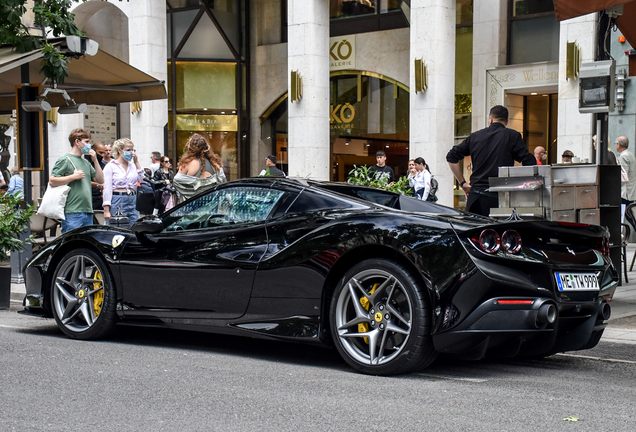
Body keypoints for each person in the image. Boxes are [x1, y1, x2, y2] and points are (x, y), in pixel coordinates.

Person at [446, 105, 536, 216]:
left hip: (475, 197)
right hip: (498, 198)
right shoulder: (512, 136)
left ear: (491, 119)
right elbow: (530, 162)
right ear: (507, 121)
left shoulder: (475, 136)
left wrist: (463, 183)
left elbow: (451, 157)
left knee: (473, 231)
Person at [49, 128, 104, 233]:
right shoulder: (65, 160)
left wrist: (95, 160)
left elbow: (100, 180)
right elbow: (52, 181)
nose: (89, 145)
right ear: (77, 142)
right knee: (70, 243)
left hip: (88, 210)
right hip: (72, 211)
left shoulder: (86, 162)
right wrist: (73, 177)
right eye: (86, 141)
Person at [102, 138, 144, 228]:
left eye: (133, 150)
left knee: (135, 227)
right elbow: (107, 187)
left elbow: (142, 180)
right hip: (117, 199)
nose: (131, 152)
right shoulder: (111, 166)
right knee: (118, 228)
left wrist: (136, 162)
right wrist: (106, 210)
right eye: (128, 150)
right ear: (120, 151)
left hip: (132, 198)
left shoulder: (132, 166)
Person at [173, 133, 227, 203]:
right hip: (212, 207)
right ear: (206, 147)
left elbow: (176, 182)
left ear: (190, 147)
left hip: (192, 208)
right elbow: (223, 184)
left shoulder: (187, 163)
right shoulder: (215, 164)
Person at [616, 136, 636, 223]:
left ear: (619, 145)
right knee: (630, 216)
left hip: (625, 192)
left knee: (628, 216)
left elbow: (623, 176)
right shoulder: (631, 154)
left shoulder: (623, 156)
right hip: (630, 191)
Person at [89, 142, 108, 216]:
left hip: (99, 197)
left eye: (104, 153)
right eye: (100, 152)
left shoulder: (103, 164)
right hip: (90, 197)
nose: (102, 155)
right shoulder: (87, 163)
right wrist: (97, 185)